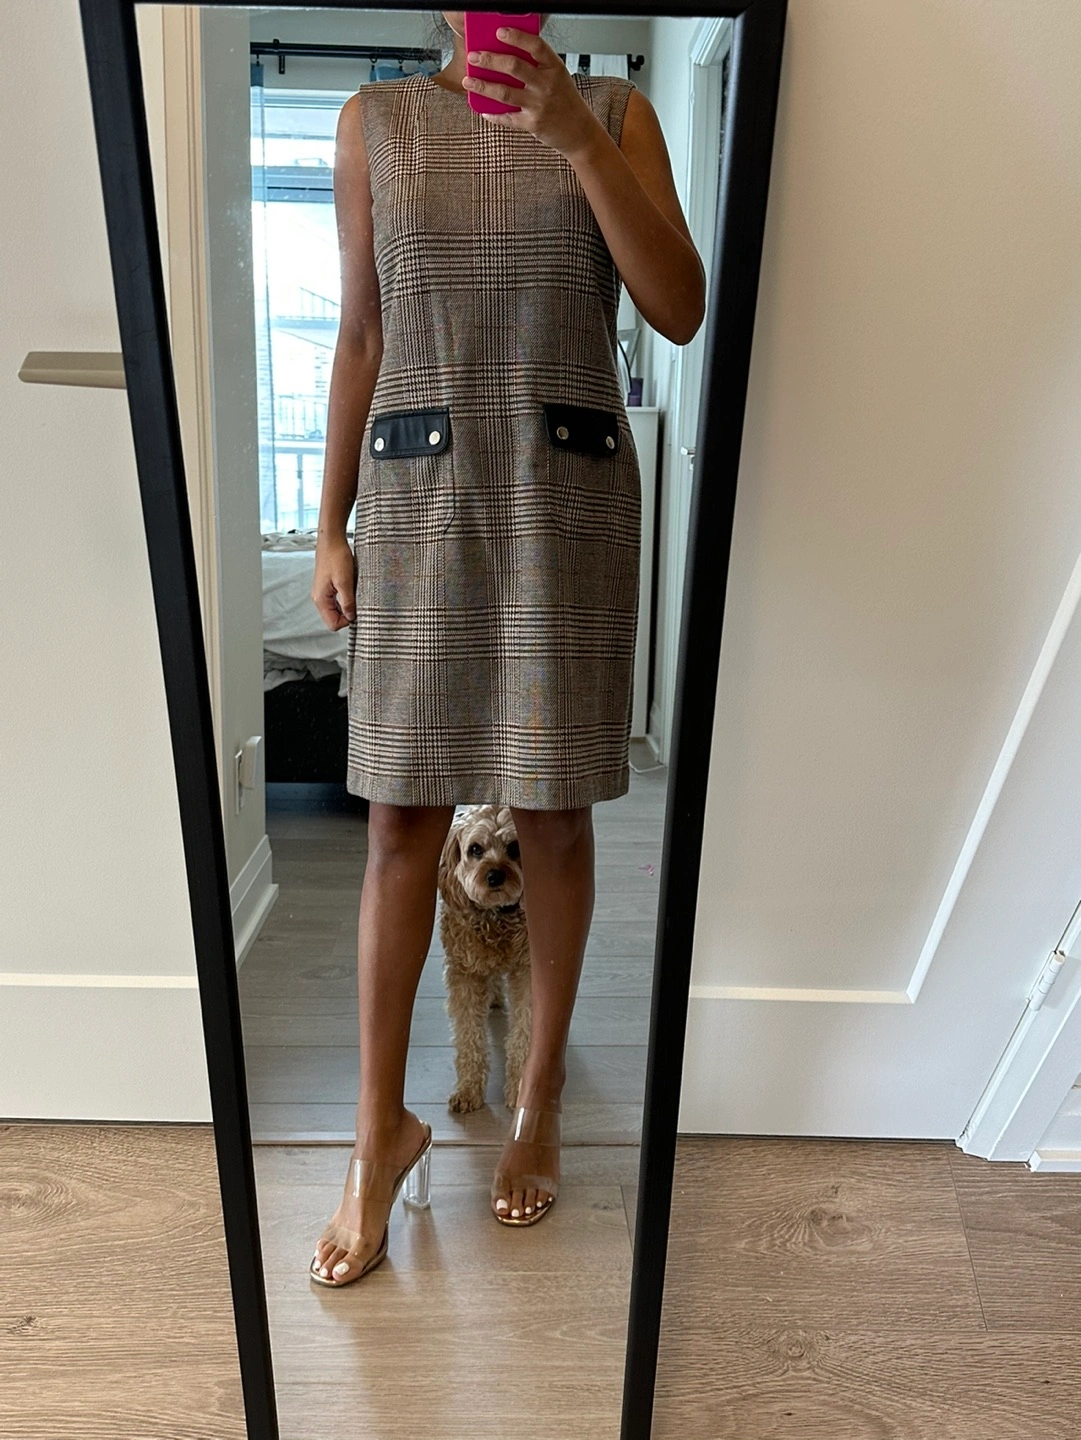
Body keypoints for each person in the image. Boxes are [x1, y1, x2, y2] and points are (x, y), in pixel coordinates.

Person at [308, 10, 705, 1287]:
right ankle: (379, 1133)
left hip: (562, 496)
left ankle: (538, 1098)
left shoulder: (620, 113)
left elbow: (678, 307)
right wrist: (328, 523)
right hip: (416, 495)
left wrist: (577, 135)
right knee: (396, 819)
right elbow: (361, 333)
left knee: (553, 813)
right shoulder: (373, 124)